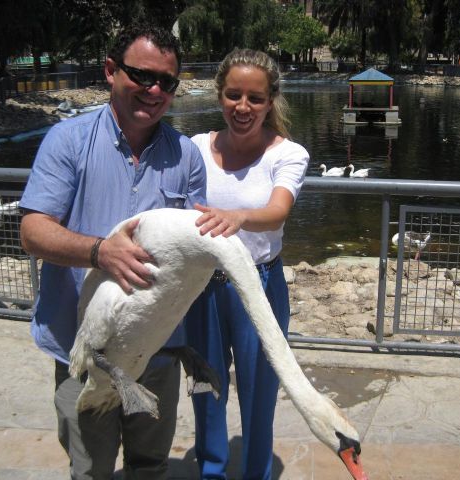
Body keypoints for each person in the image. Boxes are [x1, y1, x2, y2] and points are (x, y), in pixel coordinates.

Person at [19, 23, 206, 480]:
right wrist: (100, 252)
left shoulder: (187, 157)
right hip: (81, 348)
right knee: (91, 469)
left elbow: (195, 242)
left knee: (150, 465)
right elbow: (33, 231)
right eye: (142, 76)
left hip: (156, 350)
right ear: (110, 70)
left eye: (167, 82)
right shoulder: (68, 141)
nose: (154, 90)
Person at [184, 48, 310, 480]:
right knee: (206, 386)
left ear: (270, 100)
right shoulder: (195, 148)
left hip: (259, 283)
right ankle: (212, 471)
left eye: (255, 98)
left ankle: (256, 473)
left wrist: (239, 218)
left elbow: (278, 211)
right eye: (233, 95)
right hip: (202, 285)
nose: (243, 107)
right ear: (219, 95)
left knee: (259, 392)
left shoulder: (288, 153)